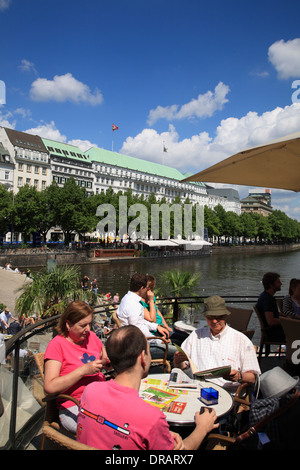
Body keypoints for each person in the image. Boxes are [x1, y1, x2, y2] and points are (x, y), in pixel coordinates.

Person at [77, 325, 219, 450]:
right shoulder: (151, 418)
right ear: (142, 358)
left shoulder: (90, 391)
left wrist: (161, 434)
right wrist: (202, 428)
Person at [44, 300, 109, 433]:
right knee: (109, 432)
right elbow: (50, 387)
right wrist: (83, 370)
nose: (88, 329)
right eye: (83, 325)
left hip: (101, 398)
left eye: (89, 324)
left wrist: (107, 360)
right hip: (74, 405)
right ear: (68, 324)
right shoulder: (57, 345)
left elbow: (105, 359)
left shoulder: (90, 336)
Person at [174, 295, 261, 393]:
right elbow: (182, 367)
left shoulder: (242, 341)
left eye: (219, 317)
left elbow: (253, 378)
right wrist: (178, 361)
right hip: (196, 389)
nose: (214, 321)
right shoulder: (196, 336)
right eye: (210, 317)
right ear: (206, 317)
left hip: (227, 393)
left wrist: (239, 376)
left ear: (225, 315)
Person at [117, 273, 174, 363]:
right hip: (138, 348)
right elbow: (138, 331)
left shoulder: (127, 299)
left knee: (172, 342)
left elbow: (140, 321)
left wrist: (156, 327)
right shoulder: (133, 305)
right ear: (142, 288)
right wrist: (159, 341)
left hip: (138, 341)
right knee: (175, 352)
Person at [256, 272, 285, 341]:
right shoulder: (267, 299)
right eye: (278, 282)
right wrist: (287, 321)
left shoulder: (267, 297)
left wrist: (285, 316)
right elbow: (271, 321)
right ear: (271, 284)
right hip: (273, 333)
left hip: (273, 331)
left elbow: (273, 313)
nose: (281, 284)